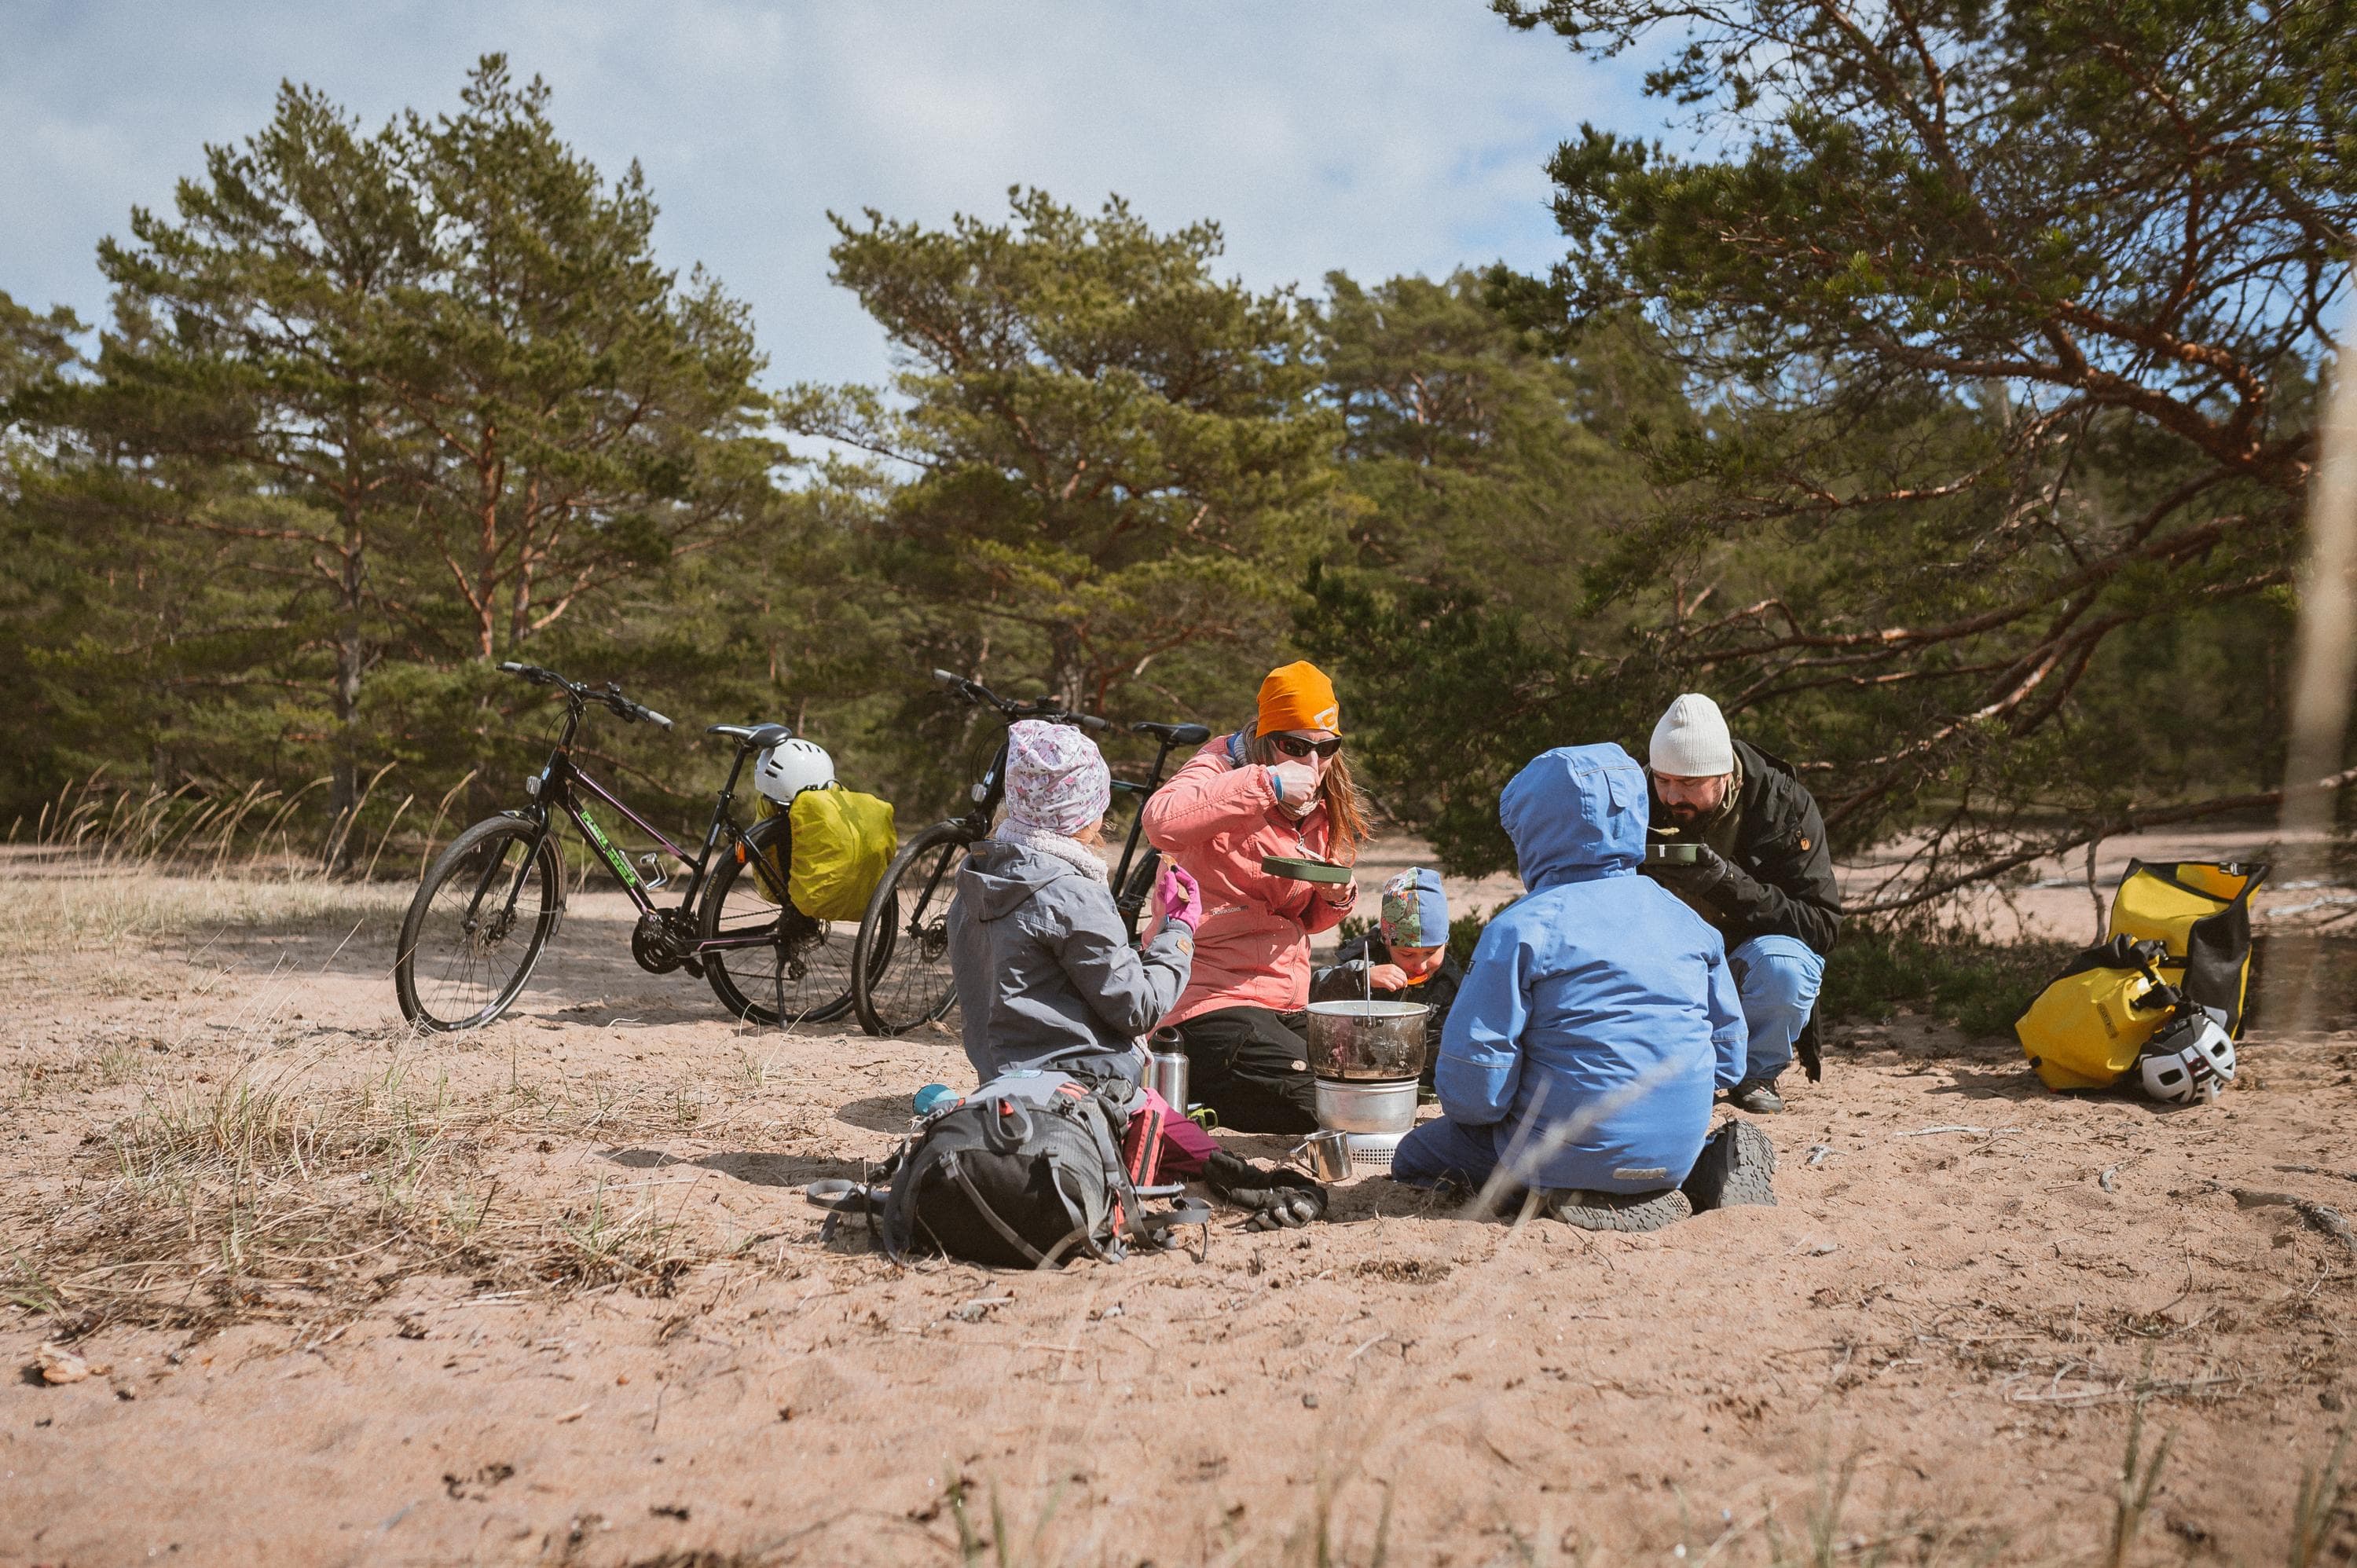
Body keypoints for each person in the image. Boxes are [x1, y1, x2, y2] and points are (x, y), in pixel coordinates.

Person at [1389, 743, 1751, 1232]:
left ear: (1536, 833)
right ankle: (1695, 1171)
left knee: (1416, 1154)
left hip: (1557, 1153)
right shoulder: (1687, 921)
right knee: (1642, 1143)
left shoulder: (1521, 929)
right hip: (1674, 1149)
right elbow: (1730, 1058)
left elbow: (1476, 1088)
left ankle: (1562, 1190)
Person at [1140, 660, 1368, 1133]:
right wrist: (1269, 784)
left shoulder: (1320, 800)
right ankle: (1188, 1090)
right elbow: (1160, 821)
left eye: (1325, 747)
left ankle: (1215, 1090)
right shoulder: (1222, 766)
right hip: (1205, 1000)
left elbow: (1302, 917)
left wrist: (1337, 894)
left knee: (1365, 1081)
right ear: (1267, 736)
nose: (1311, 761)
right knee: (1318, 1101)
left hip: (1286, 999)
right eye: (1294, 746)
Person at [1640, 693, 1842, 1115]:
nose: (1673, 796)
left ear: (1724, 774)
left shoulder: (1785, 804)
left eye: (1690, 784)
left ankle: (1753, 1072)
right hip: (1657, 960)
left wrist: (1726, 882)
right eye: (1663, 779)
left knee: (1787, 966)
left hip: (1745, 964)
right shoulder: (1633, 796)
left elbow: (1823, 926)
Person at [1310, 867, 1464, 1086]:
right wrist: (1360, 978)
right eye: (1406, 954)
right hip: (1353, 1071)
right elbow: (1315, 992)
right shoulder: (1365, 958)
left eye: (1431, 953)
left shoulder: (1448, 981)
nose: (1420, 965)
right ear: (1387, 942)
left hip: (1415, 1077)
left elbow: (1442, 1040)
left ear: (1445, 944)